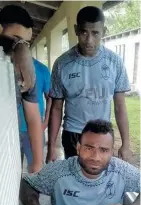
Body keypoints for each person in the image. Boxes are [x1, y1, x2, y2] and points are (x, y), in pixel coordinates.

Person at [47, 6, 131, 163]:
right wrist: (52, 147)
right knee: (76, 179)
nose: (89, 40)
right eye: (84, 32)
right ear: (76, 30)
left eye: (95, 33)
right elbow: (56, 108)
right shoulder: (62, 64)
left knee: (100, 180)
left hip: (103, 134)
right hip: (73, 134)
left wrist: (126, 144)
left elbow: (120, 107)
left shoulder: (115, 62)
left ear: (104, 31)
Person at [0, 5, 43, 173]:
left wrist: (38, 162)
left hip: (9, 148)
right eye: (16, 38)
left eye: (26, 43)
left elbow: (33, 117)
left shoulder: (26, 71)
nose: (19, 46)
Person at [19, 57, 51, 168]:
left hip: (35, 128)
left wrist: (46, 122)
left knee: (36, 168)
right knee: (11, 170)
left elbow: (50, 98)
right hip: (11, 129)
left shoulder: (42, 69)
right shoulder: (7, 65)